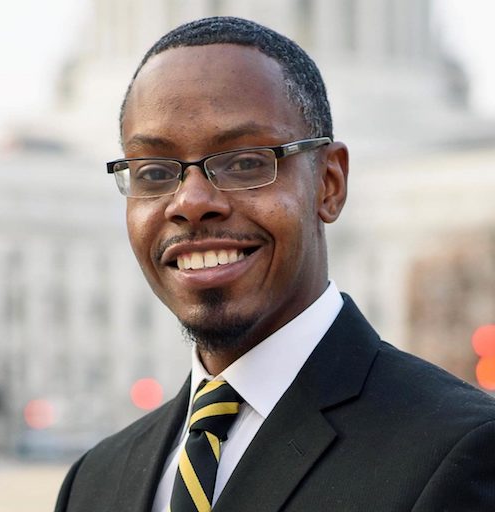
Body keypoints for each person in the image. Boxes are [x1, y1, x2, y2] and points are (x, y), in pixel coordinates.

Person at [55, 16, 495, 512]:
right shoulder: (93, 483)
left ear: (329, 184)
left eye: (245, 162)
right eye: (154, 172)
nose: (191, 202)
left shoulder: (459, 454)